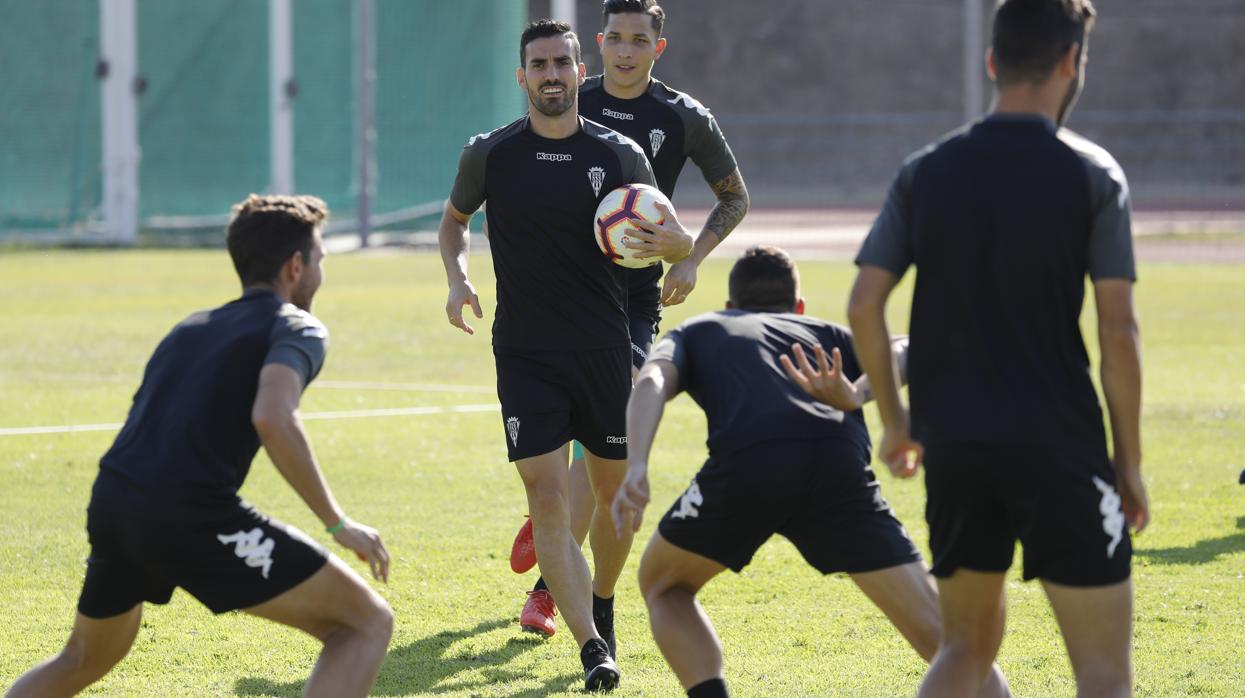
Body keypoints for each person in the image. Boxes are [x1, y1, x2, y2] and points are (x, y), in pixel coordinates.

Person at [847, 1, 1148, 696]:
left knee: (964, 651)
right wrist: (1127, 462)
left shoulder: (925, 170)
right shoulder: (1092, 173)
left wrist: (895, 423)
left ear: (991, 62)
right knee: (1102, 673)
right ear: (1072, 61)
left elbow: (865, 303)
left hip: (955, 444)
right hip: (1060, 444)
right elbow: (1118, 332)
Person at [5, 195, 394, 698]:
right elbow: (273, 417)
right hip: (188, 516)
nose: (320, 272)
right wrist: (339, 525)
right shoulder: (298, 327)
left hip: (114, 503)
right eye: (320, 261)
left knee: (84, 657)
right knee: (364, 623)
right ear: (295, 267)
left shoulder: (189, 327)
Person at [610, 246, 1011, 698]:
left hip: (750, 463)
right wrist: (856, 394)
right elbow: (908, 347)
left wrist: (638, 465)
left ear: (729, 306)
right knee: (952, 644)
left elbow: (650, 380)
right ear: (798, 307)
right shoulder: (827, 333)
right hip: (837, 467)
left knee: (664, 585)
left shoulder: (702, 328)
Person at [437, 19, 691, 690]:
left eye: (562, 63)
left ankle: (601, 599)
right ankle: (590, 647)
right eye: (538, 64)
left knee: (613, 500)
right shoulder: (490, 155)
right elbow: (454, 222)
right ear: (521, 76)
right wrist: (458, 278)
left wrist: (662, 240)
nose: (551, 74)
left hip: (604, 348)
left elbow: (678, 240)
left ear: (582, 73)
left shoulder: (620, 156)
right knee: (547, 497)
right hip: (523, 353)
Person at [511, 0, 750, 641]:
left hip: (634, 296)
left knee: (605, 434)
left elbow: (735, 195)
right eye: (613, 38)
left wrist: (690, 259)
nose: (624, 51)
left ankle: (547, 584)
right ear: (599, 42)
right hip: (565, 294)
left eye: (637, 40)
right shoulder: (567, 91)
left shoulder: (683, 117)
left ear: (657, 48)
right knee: (595, 441)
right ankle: (553, 518)